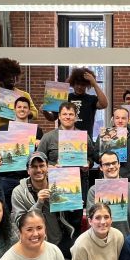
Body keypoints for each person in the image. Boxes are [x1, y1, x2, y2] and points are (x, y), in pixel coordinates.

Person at [37, 101, 96, 240]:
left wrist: (88, 163)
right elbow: (39, 160)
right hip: (55, 185)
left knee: (76, 219)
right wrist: (50, 167)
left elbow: (92, 157)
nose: (68, 117)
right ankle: (59, 253)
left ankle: (73, 252)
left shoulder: (83, 137)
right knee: (56, 221)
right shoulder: (48, 137)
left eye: (71, 114)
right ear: (59, 116)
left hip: (78, 184)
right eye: (65, 114)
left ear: (76, 117)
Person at [11, 151, 75, 260]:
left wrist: (74, 204)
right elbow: (19, 221)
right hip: (35, 243)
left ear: (48, 167)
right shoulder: (19, 192)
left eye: (42, 166)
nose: (38, 170)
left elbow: (71, 215)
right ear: (28, 170)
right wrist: (38, 203)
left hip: (60, 239)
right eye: (34, 167)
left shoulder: (59, 183)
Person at [0, 96, 42, 213]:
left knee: (29, 211)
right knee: (5, 211)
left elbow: (40, 155)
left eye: (25, 107)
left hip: (28, 177)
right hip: (7, 177)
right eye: (19, 107)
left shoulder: (37, 130)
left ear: (29, 110)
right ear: (14, 109)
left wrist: (39, 144)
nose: (22, 109)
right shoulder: (3, 128)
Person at [43, 67, 108, 136]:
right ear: (73, 83)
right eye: (77, 84)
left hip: (85, 139)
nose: (79, 87)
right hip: (65, 138)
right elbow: (52, 117)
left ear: (87, 85)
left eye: (83, 84)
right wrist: (45, 111)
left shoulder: (91, 99)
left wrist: (94, 84)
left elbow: (104, 104)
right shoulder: (64, 98)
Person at [86, 151, 130, 235]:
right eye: (107, 164)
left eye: (114, 163)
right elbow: (90, 220)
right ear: (101, 167)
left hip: (126, 241)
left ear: (119, 164)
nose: (111, 166)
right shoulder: (93, 190)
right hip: (103, 241)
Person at [0, 57, 39, 131]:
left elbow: (35, 114)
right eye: (8, 76)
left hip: (19, 132)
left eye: (14, 76)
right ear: (1, 77)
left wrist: (23, 112)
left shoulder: (24, 95)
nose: (12, 79)